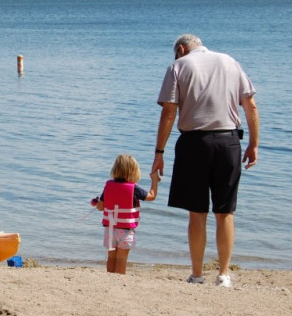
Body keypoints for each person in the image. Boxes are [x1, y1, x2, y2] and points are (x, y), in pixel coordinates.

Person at [152, 34, 259, 288]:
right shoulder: (230, 62)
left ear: (180, 49)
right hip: (229, 142)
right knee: (225, 212)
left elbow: (169, 111)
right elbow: (250, 105)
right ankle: (223, 275)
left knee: (197, 213)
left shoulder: (178, 66)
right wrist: (253, 144)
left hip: (194, 144)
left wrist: (159, 153)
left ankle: (197, 274)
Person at [91, 154, 160, 274]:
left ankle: (110, 278)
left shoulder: (109, 186)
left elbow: (100, 207)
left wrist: (97, 202)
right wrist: (154, 180)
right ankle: (120, 279)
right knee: (122, 258)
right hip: (126, 231)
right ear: (134, 172)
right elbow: (152, 196)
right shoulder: (134, 189)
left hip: (110, 230)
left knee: (111, 256)